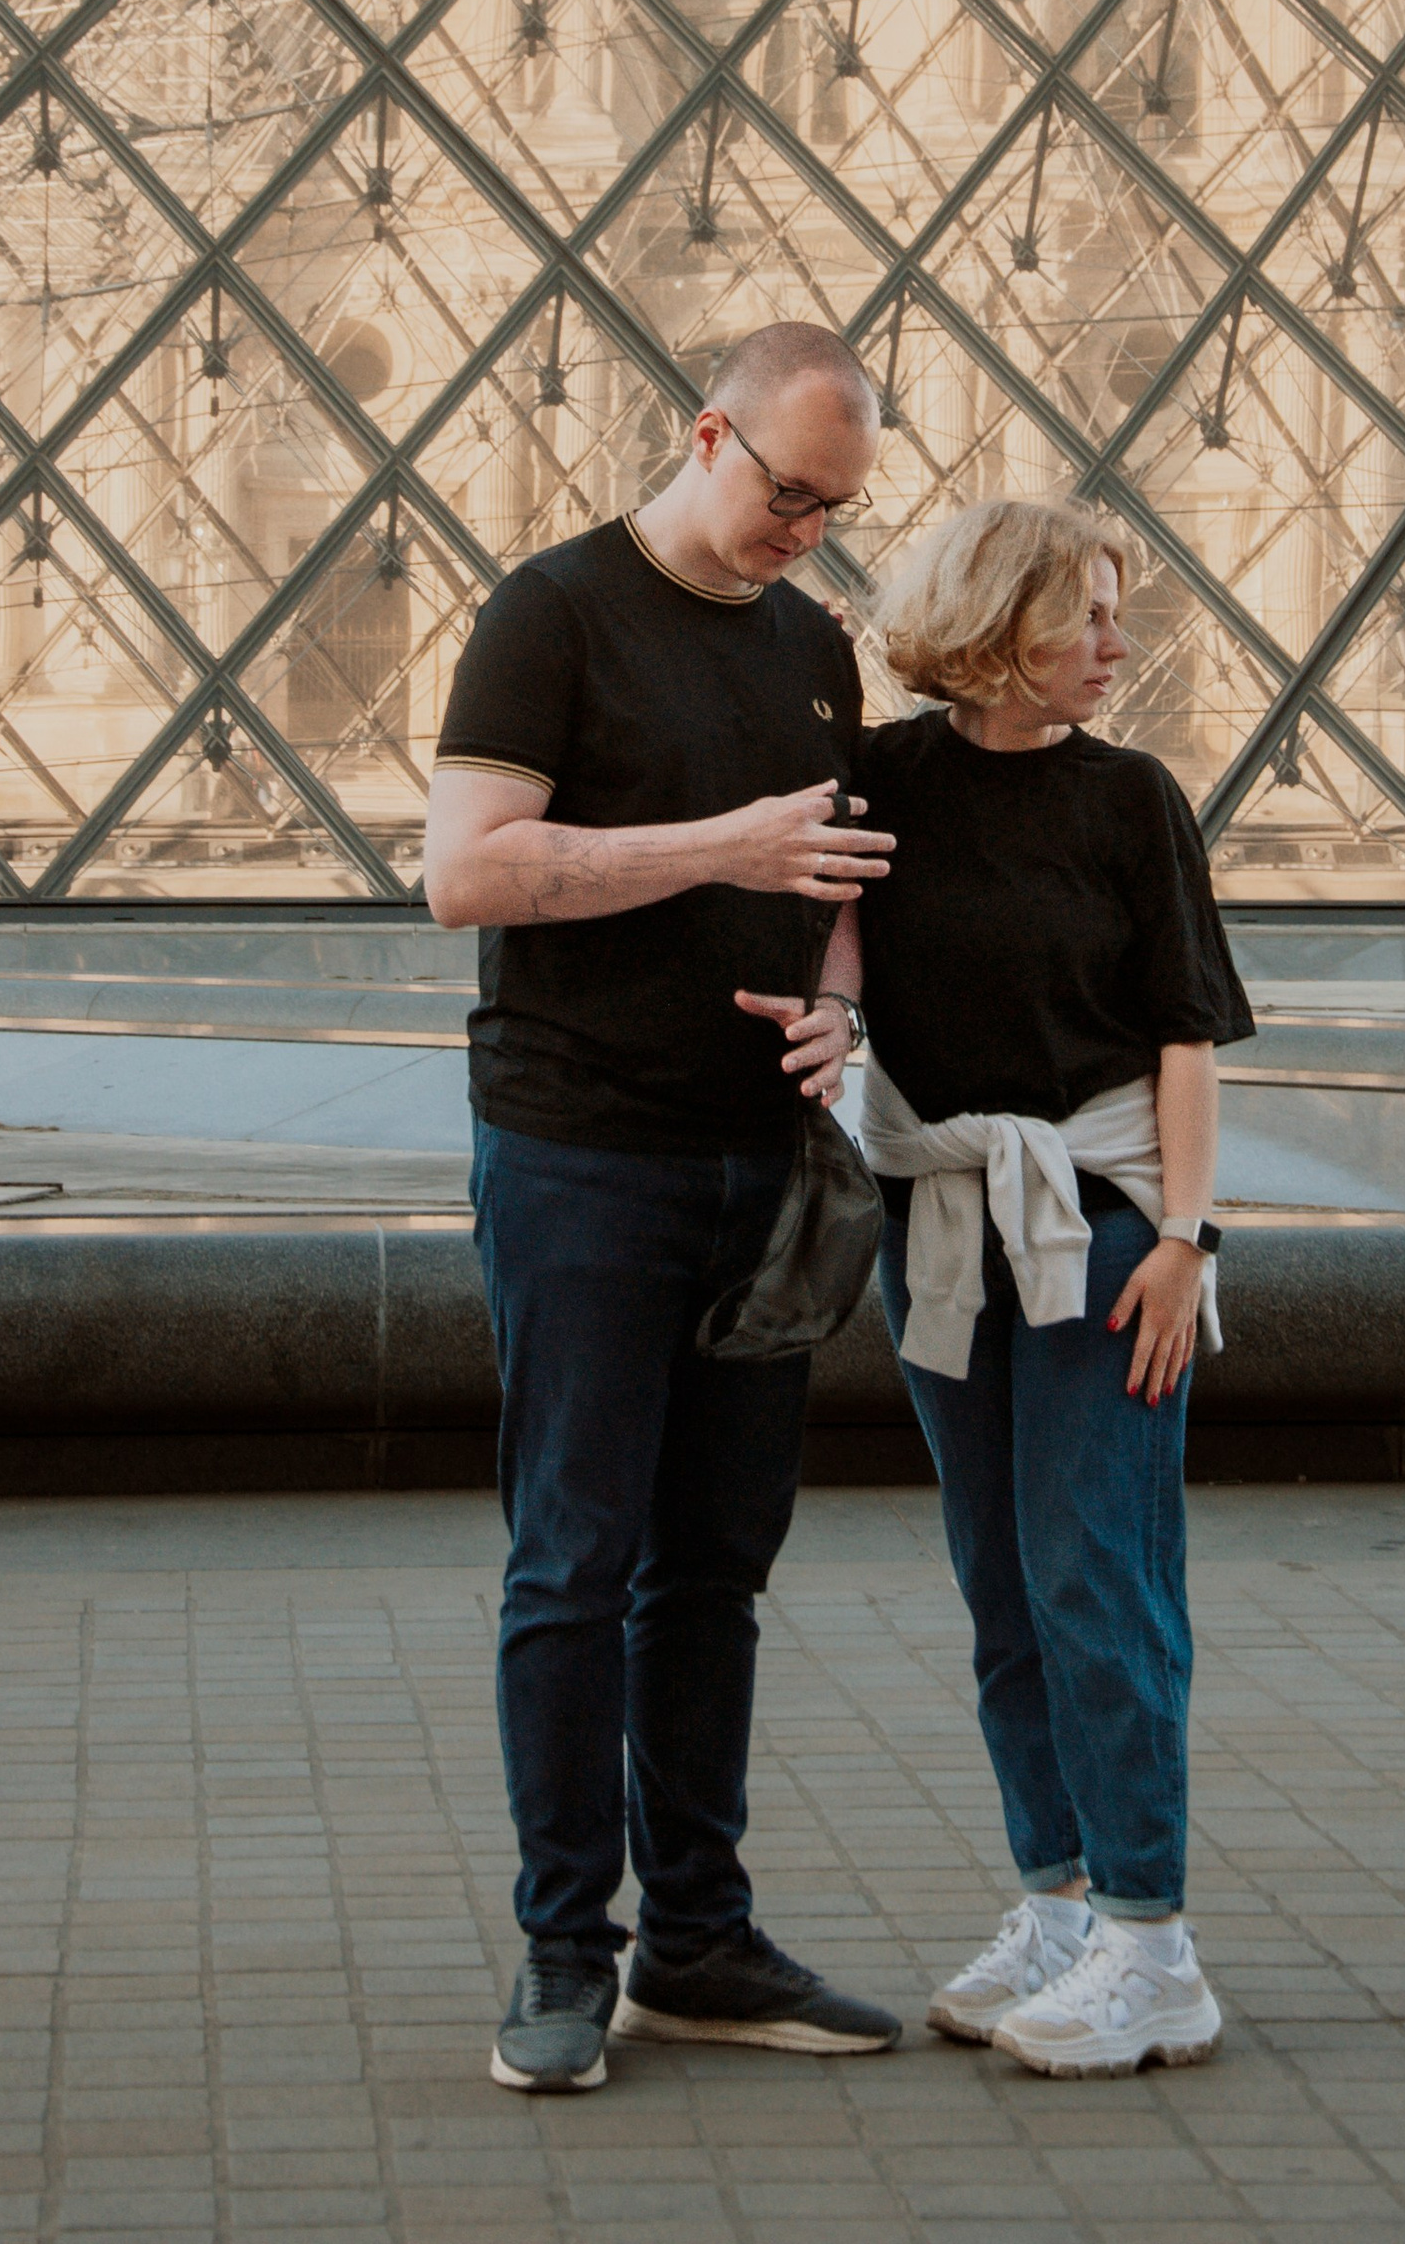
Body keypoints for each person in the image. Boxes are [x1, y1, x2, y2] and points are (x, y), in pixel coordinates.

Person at [423, 321, 904, 2097]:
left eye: (838, 509)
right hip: (583, 1155)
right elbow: (463, 872)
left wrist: (841, 1000)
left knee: (716, 1572)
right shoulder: (550, 612)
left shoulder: (818, 647)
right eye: (792, 494)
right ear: (709, 434)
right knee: (574, 1561)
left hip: (756, 1166)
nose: (811, 532)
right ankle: (568, 1949)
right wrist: (721, 846)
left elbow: (838, 873)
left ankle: (697, 1941)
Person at [803, 499, 1251, 2078]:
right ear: (1000, 621)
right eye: (1094, 619)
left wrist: (1192, 1241)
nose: (1121, 648)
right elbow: (838, 939)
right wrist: (832, 1026)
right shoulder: (887, 781)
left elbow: (1185, 1034)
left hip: (1107, 1236)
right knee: (1004, 1590)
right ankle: (1057, 1908)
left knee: (1097, 1580)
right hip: (944, 1229)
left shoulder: (1134, 799)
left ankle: (1153, 1943)